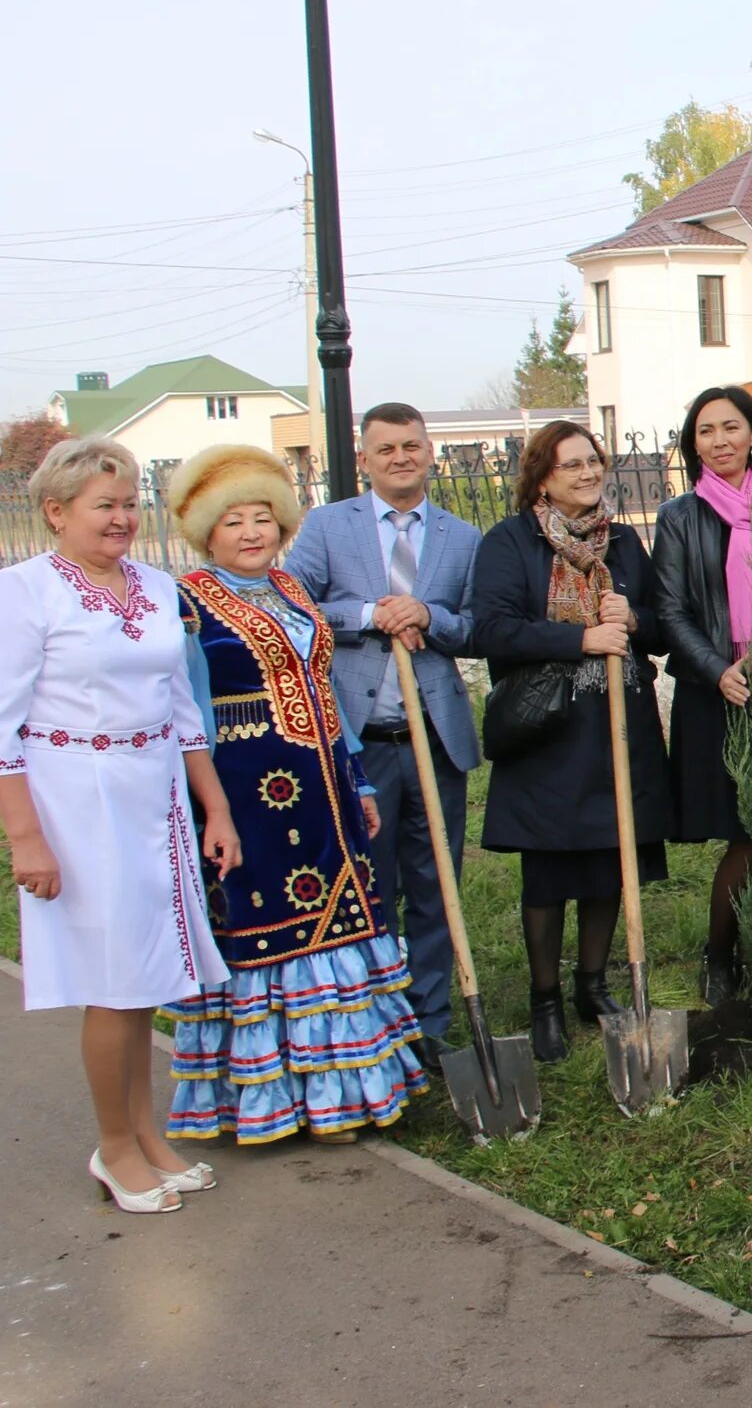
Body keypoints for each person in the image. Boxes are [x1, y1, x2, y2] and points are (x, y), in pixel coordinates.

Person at [164, 445, 428, 1143]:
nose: (251, 533)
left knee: (340, 918)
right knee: (270, 933)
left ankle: (347, 1092)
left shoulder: (290, 590)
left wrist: (358, 776)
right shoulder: (187, 604)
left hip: (323, 789)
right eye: (233, 521)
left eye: (262, 518)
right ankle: (285, 1100)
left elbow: (323, 693)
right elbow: (185, 713)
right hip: (247, 794)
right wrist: (209, 806)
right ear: (207, 531)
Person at [1, 435, 237, 1212]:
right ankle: (112, 1146)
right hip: (76, 795)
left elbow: (183, 708)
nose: (121, 518)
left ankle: (147, 1135)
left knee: (148, 976)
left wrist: (216, 808)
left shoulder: (155, 585)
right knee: (113, 979)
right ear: (56, 512)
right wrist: (25, 836)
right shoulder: (26, 591)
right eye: (104, 505)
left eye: (130, 502)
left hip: (155, 790)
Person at [469, 420, 671, 1063]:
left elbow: (661, 625)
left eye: (593, 462)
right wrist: (581, 638)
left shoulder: (625, 543)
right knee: (551, 867)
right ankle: (545, 1000)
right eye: (571, 465)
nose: (588, 474)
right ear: (542, 477)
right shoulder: (510, 543)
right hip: (550, 728)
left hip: (616, 721)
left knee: (611, 859)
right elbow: (494, 630)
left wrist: (632, 619)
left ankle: (593, 986)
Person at [285, 403, 480, 1062]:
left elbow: (478, 623)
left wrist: (428, 612)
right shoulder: (328, 525)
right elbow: (293, 603)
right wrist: (372, 612)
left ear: (431, 454)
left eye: (412, 446)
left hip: (433, 737)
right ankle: (373, 1013)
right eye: (386, 448)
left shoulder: (460, 536)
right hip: (359, 742)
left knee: (436, 882)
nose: (401, 456)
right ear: (364, 458)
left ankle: (429, 1017)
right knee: (369, 882)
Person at [654, 386, 752, 1006]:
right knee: (747, 830)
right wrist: (717, 668)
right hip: (717, 695)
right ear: (694, 445)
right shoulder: (679, 518)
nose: (719, 441)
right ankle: (719, 958)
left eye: (730, 428)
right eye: (706, 431)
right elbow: (670, 610)